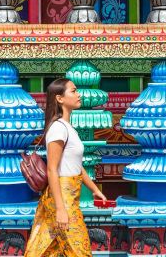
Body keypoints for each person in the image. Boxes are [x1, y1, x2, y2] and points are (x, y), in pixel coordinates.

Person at [25, 78, 107, 256]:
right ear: (59, 98)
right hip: (62, 199)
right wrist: (61, 209)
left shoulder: (69, 128)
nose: (79, 95)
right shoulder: (58, 129)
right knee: (80, 249)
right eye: (73, 91)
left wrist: (94, 189)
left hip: (69, 196)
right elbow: (52, 169)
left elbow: (77, 166)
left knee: (47, 249)